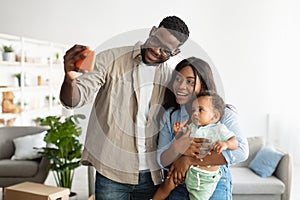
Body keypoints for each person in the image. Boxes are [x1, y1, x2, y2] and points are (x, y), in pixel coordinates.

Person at [60, 16, 190, 200]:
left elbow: (188, 114)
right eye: (156, 40)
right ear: (152, 31)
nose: (155, 50)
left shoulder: (170, 79)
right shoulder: (111, 58)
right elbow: (75, 99)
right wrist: (70, 79)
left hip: (152, 175)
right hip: (112, 172)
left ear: (175, 52)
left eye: (165, 50)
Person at [155, 57, 249, 200]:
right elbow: (161, 159)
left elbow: (241, 151)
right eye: (178, 79)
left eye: (190, 82)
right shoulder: (170, 115)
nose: (180, 86)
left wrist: (188, 160)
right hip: (180, 182)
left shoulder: (221, 114)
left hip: (212, 181)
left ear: (203, 86)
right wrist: (178, 148)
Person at [153, 90, 238, 200]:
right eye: (193, 110)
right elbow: (181, 144)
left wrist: (226, 144)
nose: (195, 113)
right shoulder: (192, 127)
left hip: (204, 179)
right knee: (168, 181)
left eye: (200, 110)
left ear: (214, 116)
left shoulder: (218, 129)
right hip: (188, 173)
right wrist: (177, 132)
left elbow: (235, 142)